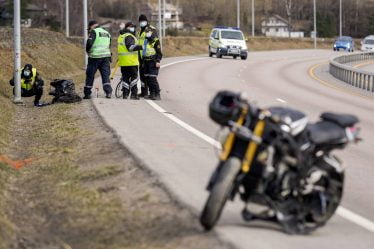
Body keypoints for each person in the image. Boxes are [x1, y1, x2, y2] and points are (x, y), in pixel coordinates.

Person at [84, 20, 112, 99]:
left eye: (89, 28)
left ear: (92, 26)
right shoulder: (106, 33)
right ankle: (108, 92)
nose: (89, 30)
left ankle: (87, 93)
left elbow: (89, 43)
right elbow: (109, 45)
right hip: (106, 57)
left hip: (94, 57)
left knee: (90, 75)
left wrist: (88, 51)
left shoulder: (94, 32)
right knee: (105, 75)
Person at [118, 22, 143, 99]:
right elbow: (130, 48)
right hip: (131, 62)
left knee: (125, 78)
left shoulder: (121, 36)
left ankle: (125, 94)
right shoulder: (129, 36)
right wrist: (140, 47)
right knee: (134, 78)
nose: (133, 28)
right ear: (128, 27)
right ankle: (134, 94)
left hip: (123, 62)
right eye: (132, 27)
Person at [137, 14, 157, 98]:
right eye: (140, 21)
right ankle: (143, 91)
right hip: (142, 56)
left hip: (149, 56)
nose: (142, 22)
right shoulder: (140, 31)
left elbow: (154, 41)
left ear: (146, 21)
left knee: (150, 76)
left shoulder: (150, 29)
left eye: (143, 21)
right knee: (142, 75)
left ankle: (154, 92)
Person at [142, 26, 163, 100]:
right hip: (146, 62)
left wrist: (158, 61)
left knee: (152, 78)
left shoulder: (156, 41)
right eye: (146, 32)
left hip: (153, 62)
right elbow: (144, 52)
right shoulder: (145, 41)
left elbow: (159, 53)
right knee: (147, 79)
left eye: (148, 31)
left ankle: (157, 94)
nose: (147, 33)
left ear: (152, 32)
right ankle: (152, 94)